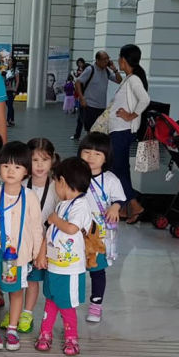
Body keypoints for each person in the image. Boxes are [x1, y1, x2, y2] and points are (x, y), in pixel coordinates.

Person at [0, 141, 45, 352]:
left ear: (26, 171)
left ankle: (12, 329)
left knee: (16, 291)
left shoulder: (30, 197)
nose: (10, 171)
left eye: (17, 167)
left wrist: (37, 254)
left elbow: (36, 227)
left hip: (18, 255)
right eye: (6, 165)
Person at [65, 131, 125, 324]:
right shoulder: (74, 176)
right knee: (74, 268)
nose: (91, 157)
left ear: (106, 158)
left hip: (99, 236)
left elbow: (119, 200)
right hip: (75, 232)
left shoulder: (111, 180)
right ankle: (71, 302)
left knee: (97, 270)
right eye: (87, 152)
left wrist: (115, 207)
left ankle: (96, 305)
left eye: (97, 154)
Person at [36, 158, 93, 356]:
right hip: (54, 265)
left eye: (55, 182)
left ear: (62, 181)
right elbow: (51, 234)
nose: (54, 187)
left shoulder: (81, 205)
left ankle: (71, 337)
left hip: (70, 269)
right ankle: (45, 333)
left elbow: (71, 228)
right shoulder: (62, 205)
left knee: (67, 305)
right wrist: (42, 254)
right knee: (50, 300)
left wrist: (54, 219)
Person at [14, 137, 59, 333]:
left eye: (45, 160)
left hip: (45, 242)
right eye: (34, 160)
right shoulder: (20, 184)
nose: (40, 165)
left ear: (52, 160)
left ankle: (27, 313)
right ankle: (15, 311)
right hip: (22, 240)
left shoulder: (57, 187)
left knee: (32, 280)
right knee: (17, 277)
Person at [108, 44, 151, 223]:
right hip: (119, 131)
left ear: (124, 59)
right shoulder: (129, 78)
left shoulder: (133, 80)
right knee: (121, 169)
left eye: (119, 57)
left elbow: (145, 99)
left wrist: (131, 115)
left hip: (122, 131)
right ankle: (126, 207)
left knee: (116, 168)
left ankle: (133, 204)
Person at [74, 51, 121, 136]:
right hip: (90, 106)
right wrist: (81, 98)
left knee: (100, 131)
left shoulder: (106, 71)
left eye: (108, 59)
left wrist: (115, 69)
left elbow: (119, 80)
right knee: (91, 131)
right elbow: (78, 82)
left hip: (101, 106)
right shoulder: (90, 70)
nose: (107, 61)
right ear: (97, 60)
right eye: (104, 59)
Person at [70, 58, 88, 139]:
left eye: (81, 63)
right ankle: (77, 135)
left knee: (84, 119)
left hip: (87, 100)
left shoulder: (87, 77)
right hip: (82, 99)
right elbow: (77, 83)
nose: (80, 65)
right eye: (79, 63)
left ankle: (83, 134)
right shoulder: (80, 76)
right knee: (80, 118)